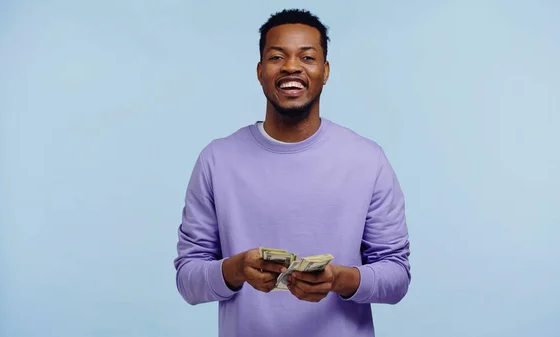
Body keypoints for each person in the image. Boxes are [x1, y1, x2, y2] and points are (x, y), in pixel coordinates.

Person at [173, 8, 411, 337]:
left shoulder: (368, 159)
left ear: (325, 71)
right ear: (259, 71)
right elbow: (188, 280)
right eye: (276, 56)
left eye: (307, 57)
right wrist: (235, 269)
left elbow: (397, 277)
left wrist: (340, 279)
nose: (291, 67)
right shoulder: (217, 159)